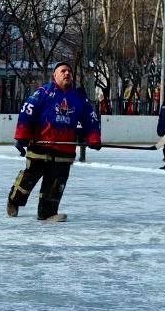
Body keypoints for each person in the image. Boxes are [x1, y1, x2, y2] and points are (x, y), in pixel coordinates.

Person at [7, 61, 101, 222]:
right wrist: (22, 136)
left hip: (64, 151)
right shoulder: (43, 93)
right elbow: (27, 112)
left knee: (55, 184)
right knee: (28, 180)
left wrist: (94, 139)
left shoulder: (79, 98)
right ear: (54, 75)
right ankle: (14, 201)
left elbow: (91, 119)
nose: (67, 74)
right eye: (63, 71)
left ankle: (47, 213)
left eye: (69, 71)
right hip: (40, 147)